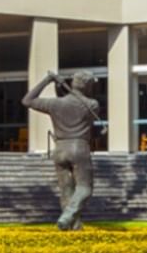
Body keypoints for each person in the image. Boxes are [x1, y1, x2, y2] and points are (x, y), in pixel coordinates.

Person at [22, 70, 101, 230]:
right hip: (79, 147)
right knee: (85, 188)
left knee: (66, 190)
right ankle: (67, 216)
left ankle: (74, 227)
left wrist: (47, 80)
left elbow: (27, 100)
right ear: (88, 86)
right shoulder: (92, 105)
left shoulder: (55, 104)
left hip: (60, 149)